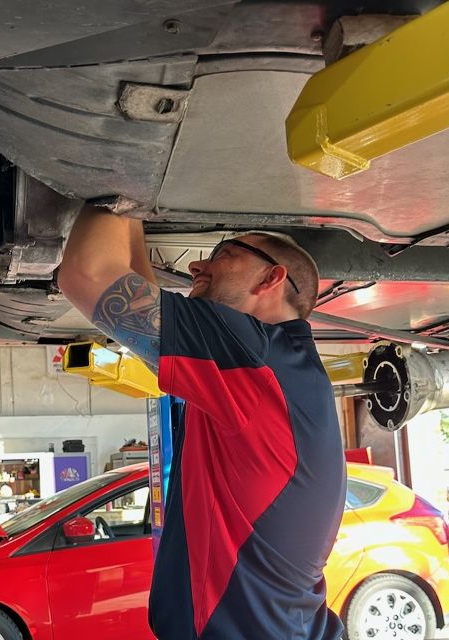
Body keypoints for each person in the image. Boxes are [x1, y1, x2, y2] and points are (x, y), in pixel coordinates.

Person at [57, 204, 346, 640]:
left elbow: (100, 276)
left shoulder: (260, 359)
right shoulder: (264, 359)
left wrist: (130, 191)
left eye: (223, 254)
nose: (196, 264)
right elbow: (93, 275)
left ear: (271, 279)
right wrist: (126, 182)